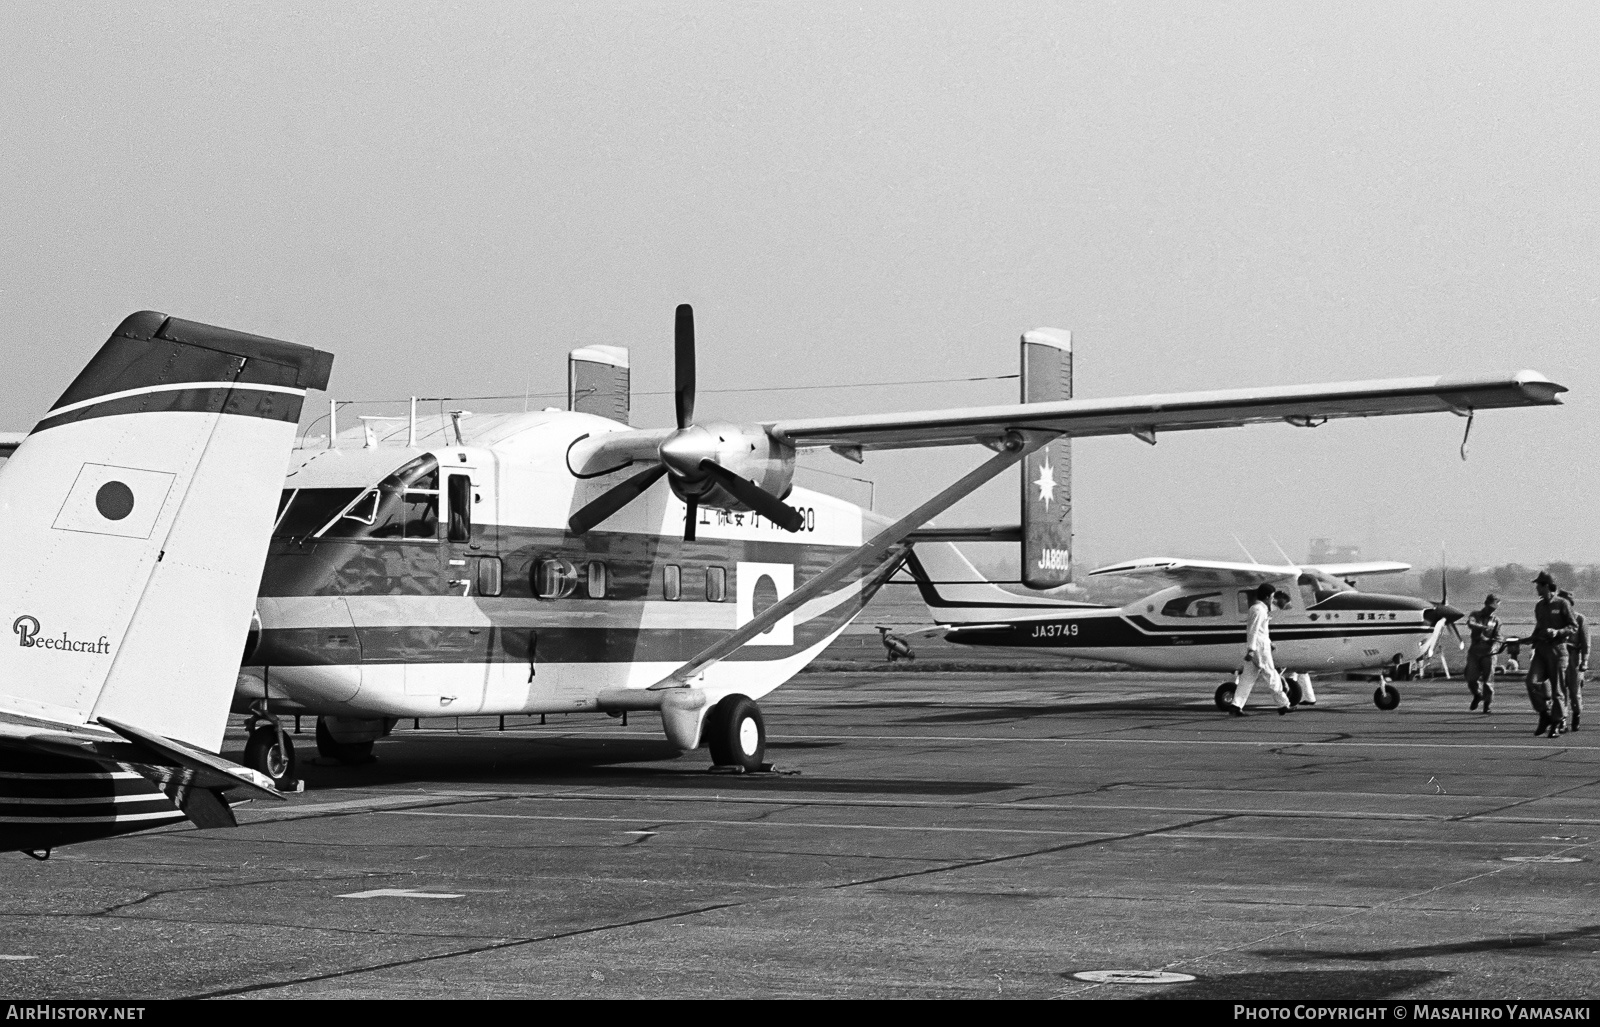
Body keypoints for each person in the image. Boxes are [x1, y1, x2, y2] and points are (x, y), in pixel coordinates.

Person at [1527, 571, 1577, 737]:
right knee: (1531, 682)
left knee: (1557, 690)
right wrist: (1531, 640)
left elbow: (1573, 626)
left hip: (1558, 650)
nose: (1536, 588)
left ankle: (1557, 722)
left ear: (1546, 586)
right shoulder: (1539, 606)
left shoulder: (1562, 603)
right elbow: (1539, 627)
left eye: (1538, 585)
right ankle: (1544, 714)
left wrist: (1558, 632)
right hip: (1541, 650)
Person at [1231, 583, 1291, 717]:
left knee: (1247, 678)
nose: (1273, 599)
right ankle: (1283, 705)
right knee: (1271, 674)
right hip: (1259, 648)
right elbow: (1253, 631)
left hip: (1260, 645)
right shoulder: (1259, 610)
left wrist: (1269, 643)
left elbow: (1261, 631)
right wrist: (1251, 649)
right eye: (1272, 596)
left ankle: (1236, 705)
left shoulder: (1258, 609)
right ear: (1267, 596)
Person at [1464, 593, 1502, 713]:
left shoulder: (1496, 621)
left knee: (1488, 680)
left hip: (1488, 653)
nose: (1491, 610)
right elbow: (1470, 623)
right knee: (1471, 677)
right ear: (1485, 604)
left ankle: (1487, 704)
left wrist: (1495, 647)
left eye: (1494, 608)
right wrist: (1482, 627)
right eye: (1490, 607)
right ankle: (1477, 694)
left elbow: (1498, 638)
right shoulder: (1475, 615)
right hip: (1475, 651)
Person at [1560, 589, 1588, 731]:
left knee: (1574, 692)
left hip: (1574, 658)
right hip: (1559, 657)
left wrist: (1585, 661)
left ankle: (1576, 714)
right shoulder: (1556, 620)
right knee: (1560, 691)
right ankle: (1562, 719)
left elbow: (1585, 643)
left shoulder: (1579, 619)